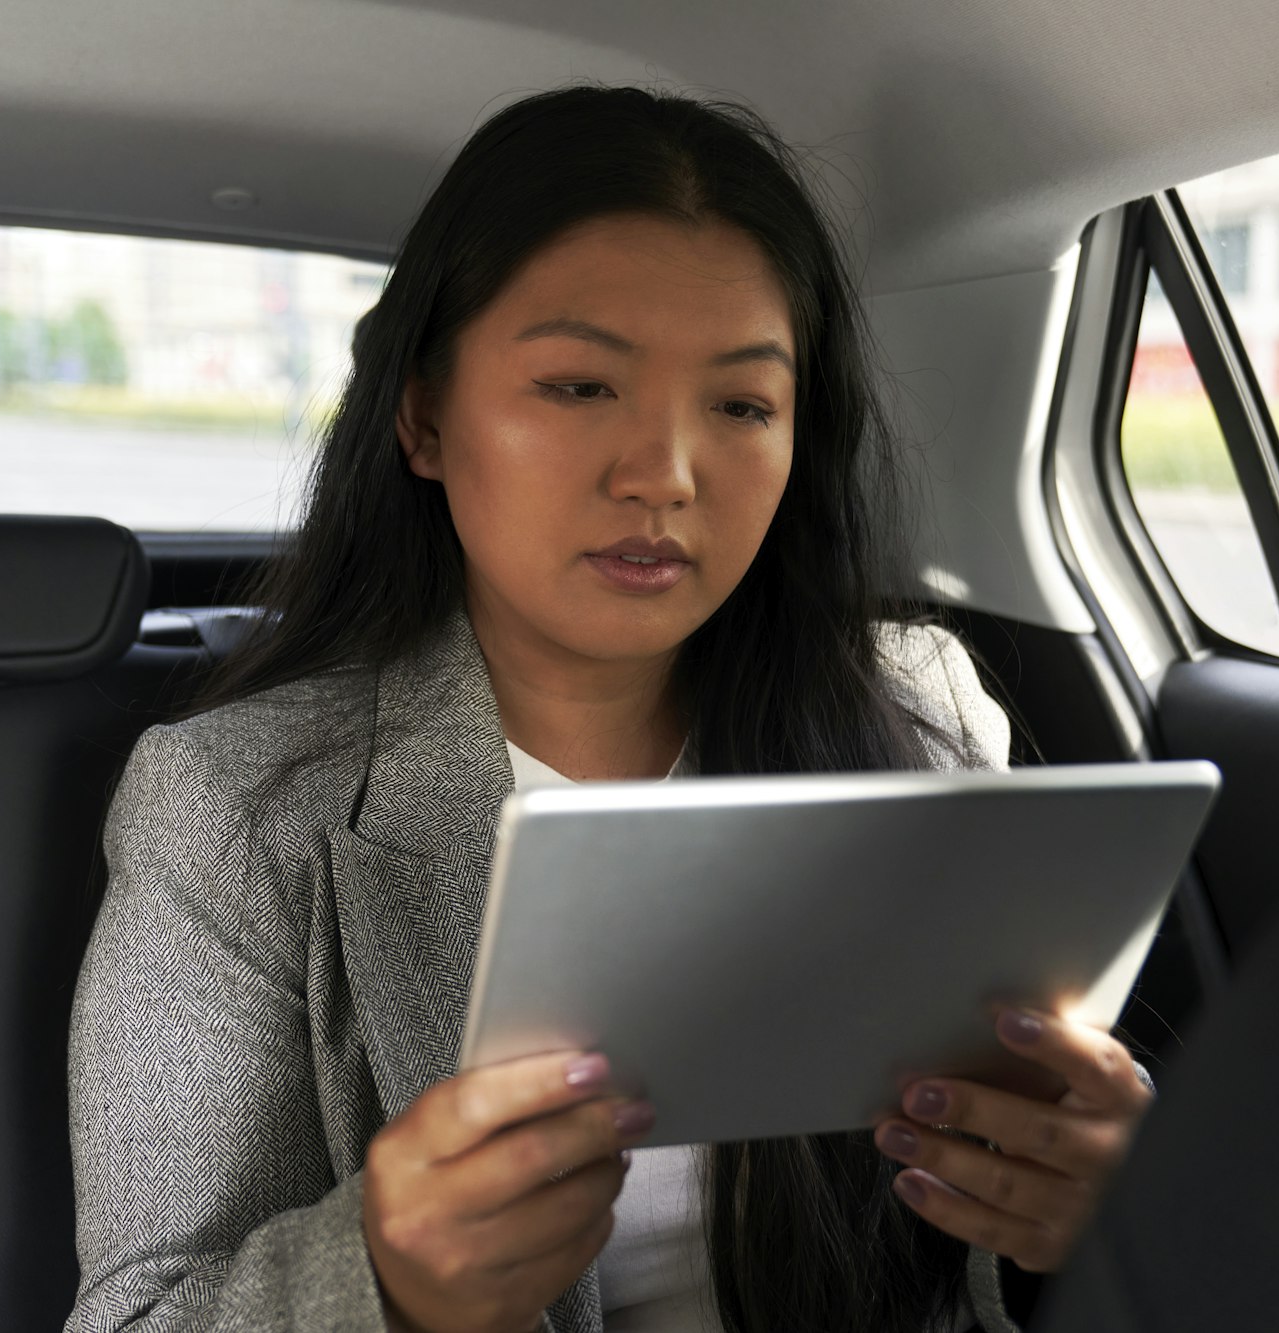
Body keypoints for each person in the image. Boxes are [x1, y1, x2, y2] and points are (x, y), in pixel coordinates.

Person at [65, 85, 1155, 1333]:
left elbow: (1005, 1246)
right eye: (580, 387)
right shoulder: (235, 806)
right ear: (422, 415)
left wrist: (1086, 1221)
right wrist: (384, 1279)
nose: (664, 474)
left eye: (742, 406)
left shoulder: (918, 714)